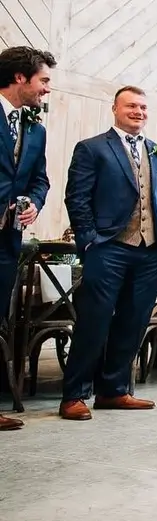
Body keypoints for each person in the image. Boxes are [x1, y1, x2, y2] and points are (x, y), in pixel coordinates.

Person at [60, 85, 157, 421]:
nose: (138, 112)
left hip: (151, 250)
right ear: (114, 108)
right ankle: (74, 395)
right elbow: (77, 199)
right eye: (131, 106)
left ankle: (113, 391)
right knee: (94, 321)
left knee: (133, 320)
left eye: (143, 107)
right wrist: (89, 240)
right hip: (108, 247)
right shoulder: (92, 148)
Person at [0, 46, 53, 430]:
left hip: (8, 242)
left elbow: (40, 179)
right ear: (21, 77)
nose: (46, 89)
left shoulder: (35, 128)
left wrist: (34, 202)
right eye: (44, 80)